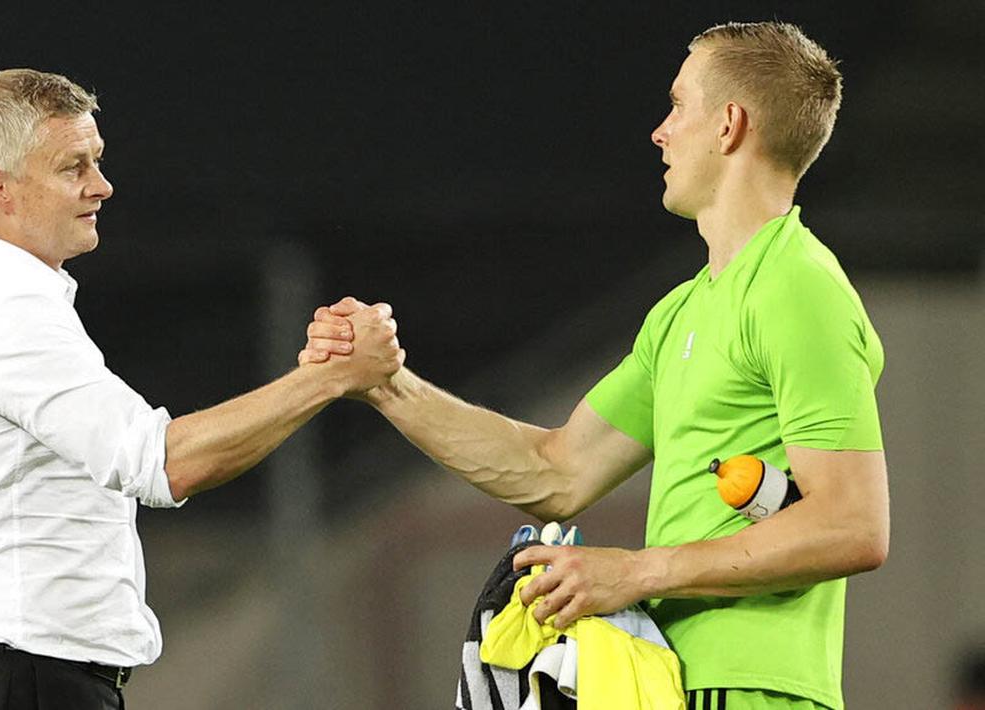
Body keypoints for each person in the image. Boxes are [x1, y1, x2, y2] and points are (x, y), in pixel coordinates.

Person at [302, 21, 888, 710]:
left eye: (677, 105)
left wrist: (634, 573)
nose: (659, 132)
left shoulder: (795, 286)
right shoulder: (682, 313)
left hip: (750, 690)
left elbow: (852, 525)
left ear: (728, 125)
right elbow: (554, 470)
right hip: (667, 684)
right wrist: (384, 384)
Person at [0, 68, 403, 710]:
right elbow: (163, 462)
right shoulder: (3, 313)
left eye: (97, 161)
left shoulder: (6, 298)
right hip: (14, 682)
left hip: (16, 677)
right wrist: (328, 378)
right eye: (72, 167)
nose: (101, 186)